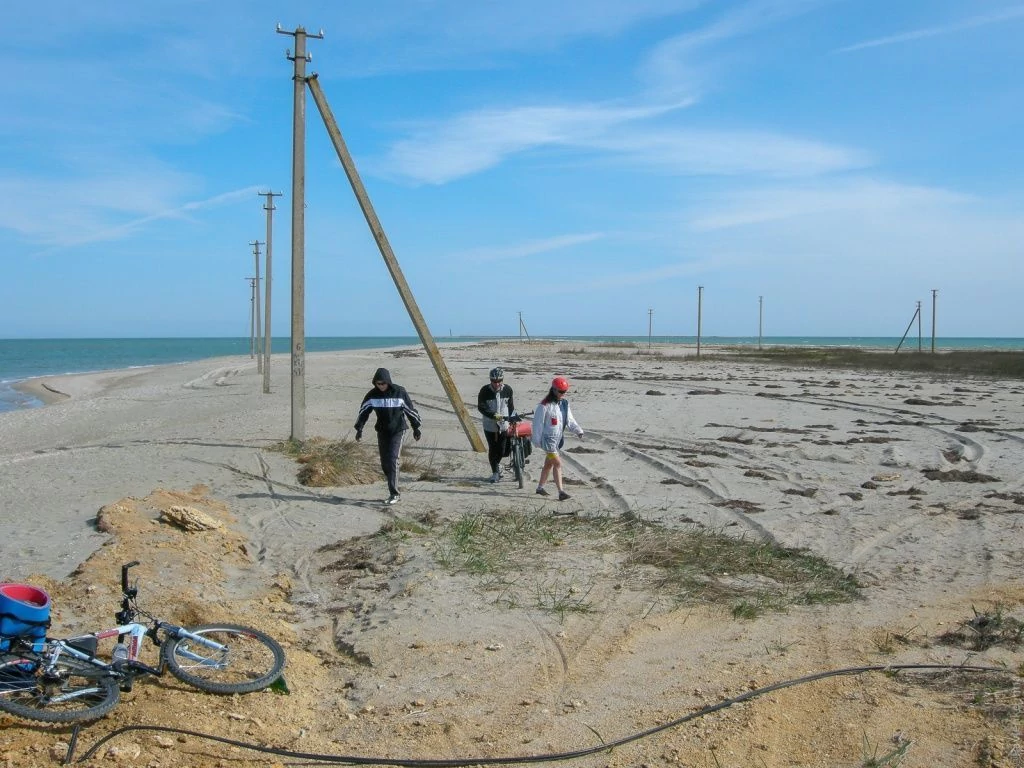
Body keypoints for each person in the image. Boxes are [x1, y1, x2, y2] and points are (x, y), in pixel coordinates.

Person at [354, 367, 422, 505]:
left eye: (383, 383)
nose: (381, 386)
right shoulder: (372, 395)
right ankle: (392, 482)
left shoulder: (399, 392)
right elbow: (363, 412)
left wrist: (416, 428)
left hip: (398, 430)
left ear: (388, 382)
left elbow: (410, 410)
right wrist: (359, 429)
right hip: (382, 431)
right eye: (378, 384)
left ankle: (394, 494)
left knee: (393, 459)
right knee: (385, 463)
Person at [531, 376, 584, 501]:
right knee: (558, 464)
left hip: (557, 440)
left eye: (564, 392)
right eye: (560, 391)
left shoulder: (565, 404)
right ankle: (561, 492)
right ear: (553, 390)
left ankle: (540, 488)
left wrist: (578, 430)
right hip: (547, 442)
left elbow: (570, 420)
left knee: (548, 465)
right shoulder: (544, 405)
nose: (562, 394)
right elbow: (537, 424)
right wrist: (537, 441)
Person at [477, 367, 517, 483]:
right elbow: (481, 407)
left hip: (504, 425)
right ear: (490, 380)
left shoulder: (508, 390)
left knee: (504, 450)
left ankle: (498, 466)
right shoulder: (485, 391)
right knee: (493, 449)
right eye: (494, 381)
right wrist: (493, 415)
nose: (497, 383)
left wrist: (513, 418)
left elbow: (510, 406)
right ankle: (495, 472)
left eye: (499, 381)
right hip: (490, 426)